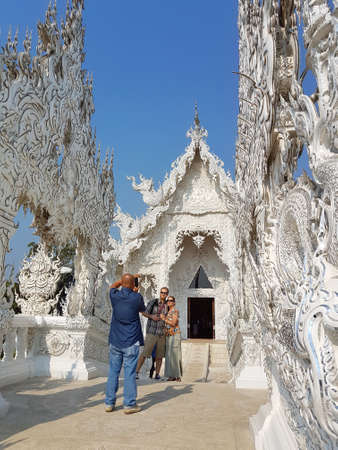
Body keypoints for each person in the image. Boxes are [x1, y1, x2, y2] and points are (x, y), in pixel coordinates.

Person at [105, 273, 145, 414]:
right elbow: (142, 309)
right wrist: (133, 287)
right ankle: (129, 404)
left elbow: (112, 286)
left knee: (113, 372)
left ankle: (109, 403)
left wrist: (124, 281)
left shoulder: (114, 295)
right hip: (131, 341)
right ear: (134, 285)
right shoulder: (137, 298)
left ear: (122, 283)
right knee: (129, 374)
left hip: (115, 341)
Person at [136, 287, 169, 380]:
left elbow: (170, 318)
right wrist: (152, 316)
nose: (163, 294)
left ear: (167, 295)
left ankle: (157, 374)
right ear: (160, 293)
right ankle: (136, 372)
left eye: (165, 293)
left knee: (159, 355)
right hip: (152, 332)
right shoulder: (153, 302)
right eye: (162, 292)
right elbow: (144, 313)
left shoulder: (168, 305)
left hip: (162, 334)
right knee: (145, 353)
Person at [160, 296, 183, 381]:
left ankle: (177, 376)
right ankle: (171, 375)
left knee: (175, 355)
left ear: (174, 302)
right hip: (168, 335)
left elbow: (173, 323)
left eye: (171, 300)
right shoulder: (167, 312)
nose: (169, 302)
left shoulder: (175, 311)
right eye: (167, 300)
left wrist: (164, 319)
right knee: (169, 355)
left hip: (175, 335)